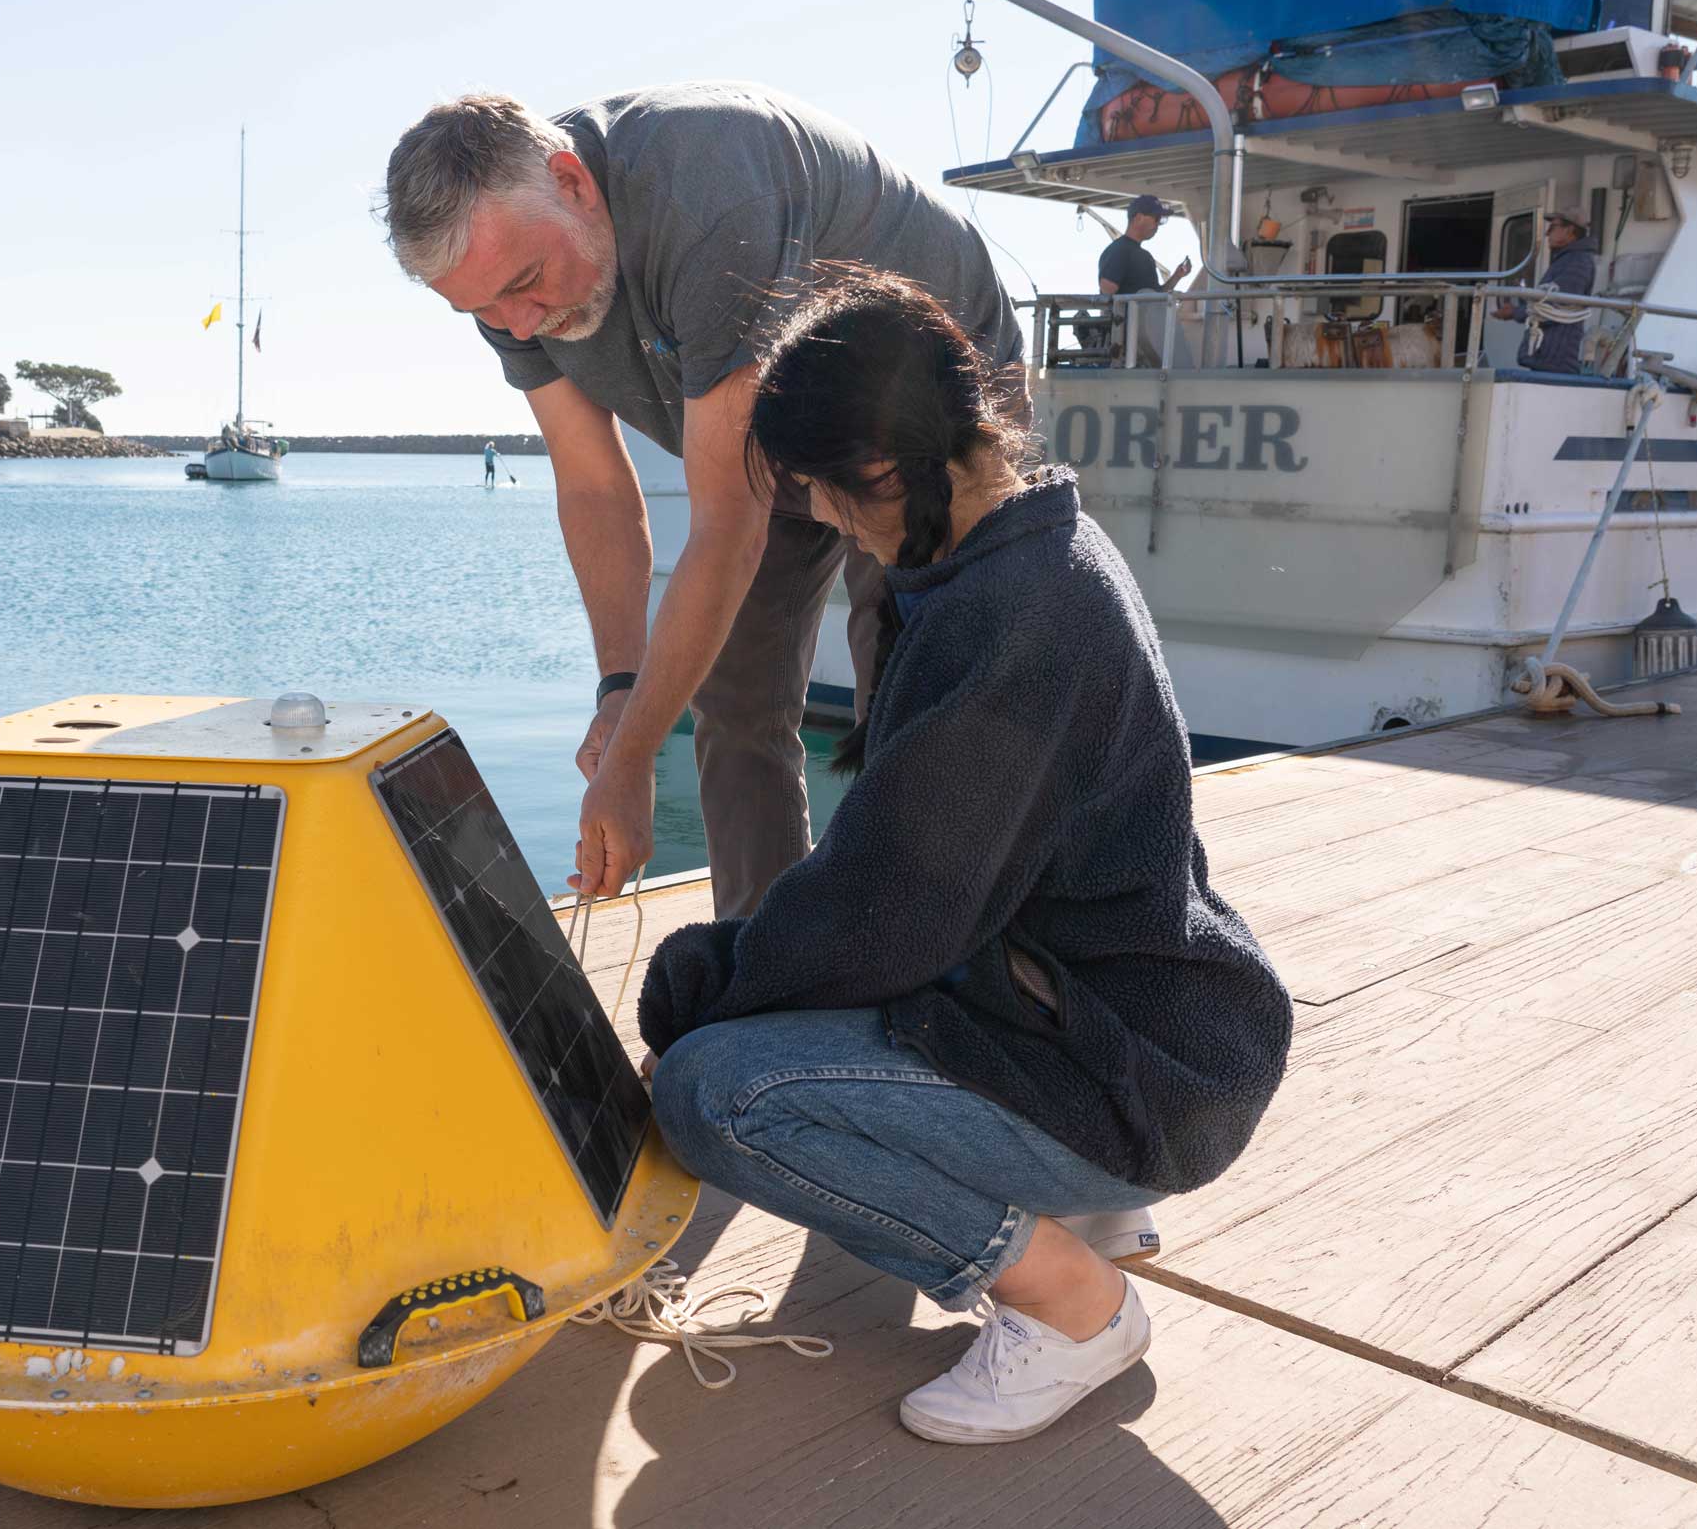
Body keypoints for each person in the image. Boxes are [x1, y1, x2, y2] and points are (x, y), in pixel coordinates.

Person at [637, 268, 1291, 1446]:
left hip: (1135, 1070)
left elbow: (887, 917)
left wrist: (702, 983)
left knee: (713, 1092)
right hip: (1133, 1020)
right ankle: (1086, 1212)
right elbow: (907, 880)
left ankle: (1075, 1309)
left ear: (882, 474)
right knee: (746, 1032)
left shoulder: (1014, 612)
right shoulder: (1024, 553)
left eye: (826, 499)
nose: (828, 524)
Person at [382, 85, 1024, 916]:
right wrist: (621, 689)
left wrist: (630, 765)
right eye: (486, 310)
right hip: (774, 430)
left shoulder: (708, 192)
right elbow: (593, 485)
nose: (520, 321)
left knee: (905, 685)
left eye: (528, 283)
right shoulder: (505, 283)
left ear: (573, 183)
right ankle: (762, 984)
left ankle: (927, 970)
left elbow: (727, 525)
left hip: (927, 404)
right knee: (734, 700)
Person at [1494, 207, 1597, 374]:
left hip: (1556, 360)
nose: (1547, 233)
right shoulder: (1569, 259)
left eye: (1553, 227)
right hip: (1551, 357)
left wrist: (1515, 312)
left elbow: (1557, 306)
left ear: (1570, 231)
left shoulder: (1578, 262)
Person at [1098, 193, 1191, 298]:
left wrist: (1177, 276)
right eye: (1156, 219)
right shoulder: (1119, 250)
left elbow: (1156, 296)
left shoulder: (1144, 255)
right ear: (1138, 218)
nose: (1157, 225)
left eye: (1161, 220)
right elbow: (1107, 294)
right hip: (1128, 315)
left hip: (1147, 313)